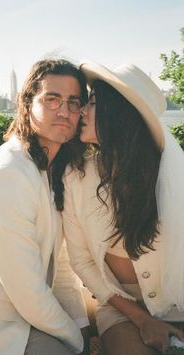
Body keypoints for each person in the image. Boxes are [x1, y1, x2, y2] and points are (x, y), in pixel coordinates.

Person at [0, 58, 90, 355]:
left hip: (31, 318)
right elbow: (28, 293)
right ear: (27, 103)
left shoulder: (52, 171)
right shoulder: (7, 175)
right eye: (52, 99)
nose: (64, 111)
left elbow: (61, 268)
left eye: (73, 102)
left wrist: (83, 330)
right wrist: (78, 344)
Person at [62, 60, 184, 355]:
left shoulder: (168, 174)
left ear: (118, 113)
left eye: (92, 104)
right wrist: (142, 319)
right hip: (119, 305)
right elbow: (82, 262)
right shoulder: (75, 177)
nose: (82, 112)